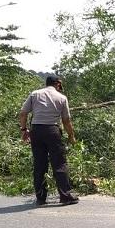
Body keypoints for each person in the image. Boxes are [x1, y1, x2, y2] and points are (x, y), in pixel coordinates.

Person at [19, 75, 79, 206]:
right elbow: (66, 121)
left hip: (36, 131)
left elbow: (23, 113)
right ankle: (65, 196)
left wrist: (24, 130)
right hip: (52, 131)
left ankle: (40, 198)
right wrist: (71, 136)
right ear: (58, 84)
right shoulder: (62, 98)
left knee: (39, 164)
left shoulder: (35, 94)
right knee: (59, 164)